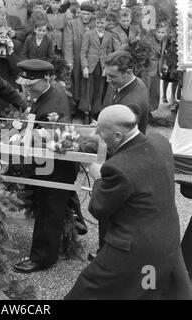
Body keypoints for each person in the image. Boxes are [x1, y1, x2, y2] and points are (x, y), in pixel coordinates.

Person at [65, 104, 192, 300]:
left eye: (101, 130)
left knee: (88, 288)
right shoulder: (160, 142)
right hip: (167, 237)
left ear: (117, 136)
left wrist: (98, 177)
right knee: (147, 289)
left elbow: (98, 208)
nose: (97, 133)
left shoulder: (117, 168)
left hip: (136, 247)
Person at [12, 59, 80, 273]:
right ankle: (52, 248)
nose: (26, 88)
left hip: (53, 170)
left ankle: (42, 258)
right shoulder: (49, 92)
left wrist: (19, 147)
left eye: (31, 84)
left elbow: (47, 145)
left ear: (47, 78)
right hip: (51, 166)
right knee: (50, 210)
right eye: (24, 83)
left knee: (48, 213)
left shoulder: (52, 109)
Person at [79, 10, 113, 123]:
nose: (99, 25)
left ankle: (95, 113)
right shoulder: (89, 34)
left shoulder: (109, 35)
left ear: (106, 23)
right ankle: (86, 113)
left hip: (101, 67)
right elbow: (83, 52)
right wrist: (84, 67)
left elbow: (109, 53)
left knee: (99, 90)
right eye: (98, 22)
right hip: (90, 66)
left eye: (102, 23)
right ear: (95, 22)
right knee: (88, 90)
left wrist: (106, 68)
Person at [103, 50, 149, 135]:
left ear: (128, 72)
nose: (107, 80)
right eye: (107, 74)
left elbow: (119, 136)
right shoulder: (125, 82)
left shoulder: (132, 103)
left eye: (112, 76)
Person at [63, 1, 95, 116]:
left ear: (92, 15)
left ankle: (86, 111)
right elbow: (68, 43)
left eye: (88, 14)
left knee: (87, 85)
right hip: (76, 59)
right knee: (74, 84)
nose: (85, 16)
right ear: (80, 13)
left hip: (90, 60)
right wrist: (69, 61)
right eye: (84, 13)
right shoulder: (72, 24)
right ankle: (73, 110)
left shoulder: (95, 25)